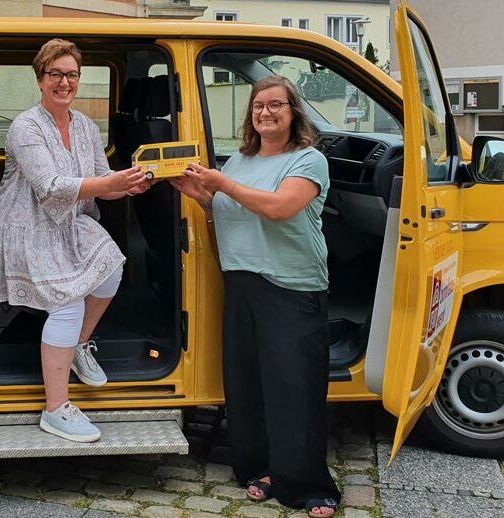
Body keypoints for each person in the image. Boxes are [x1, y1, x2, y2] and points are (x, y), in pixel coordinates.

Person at [171, 75, 339, 518]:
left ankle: (307, 485)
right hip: (242, 281)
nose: (266, 112)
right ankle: (260, 469)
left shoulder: (308, 159)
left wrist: (220, 186)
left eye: (275, 105)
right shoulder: (238, 161)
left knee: (294, 388)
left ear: (292, 111)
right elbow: (232, 214)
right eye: (258, 106)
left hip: (292, 284)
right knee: (249, 384)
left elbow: (279, 208)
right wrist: (204, 199)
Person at [0, 39, 148, 443]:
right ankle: (56, 410)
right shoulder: (26, 127)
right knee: (68, 301)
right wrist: (110, 182)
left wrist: (128, 186)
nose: (64, 82)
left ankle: (76, 346)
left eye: (71, 74)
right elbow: (50, 187)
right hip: (23, 227)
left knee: (111, 269)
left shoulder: (86, 126)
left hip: (67, 223)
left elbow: (99, 185)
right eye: (55, 74)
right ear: (40, 79)